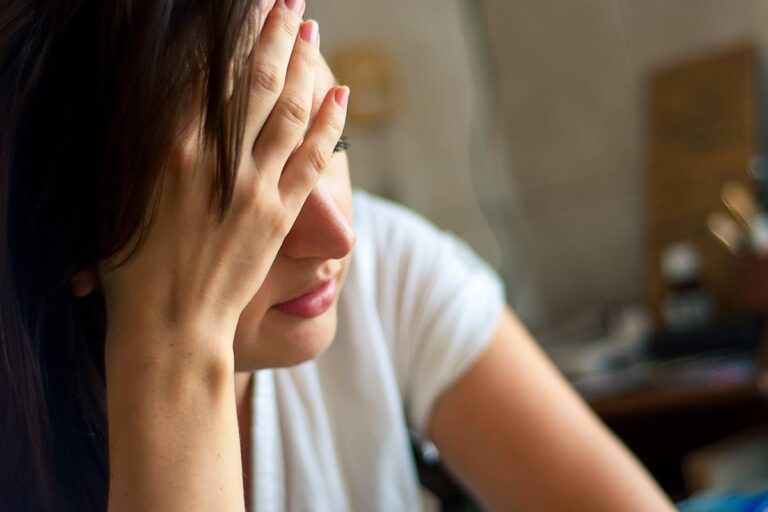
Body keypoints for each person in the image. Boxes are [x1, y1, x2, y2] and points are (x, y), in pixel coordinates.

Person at [0, 0, 676, 510]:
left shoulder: (385, 265)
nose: (337, 237)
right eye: (241, 194)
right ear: (78, 246)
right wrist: (175, 345)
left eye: (332, 146)